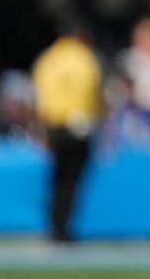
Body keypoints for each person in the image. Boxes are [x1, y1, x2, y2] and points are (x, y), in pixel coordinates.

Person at [32, 20, 103, 242]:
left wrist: (43, 127)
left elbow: (39, 97)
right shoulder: (85, 58)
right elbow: (93, 94)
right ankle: (63, 228)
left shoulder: (47, 59)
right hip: (78, 126)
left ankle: (54, 225)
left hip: (54, 125)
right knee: (71, 181)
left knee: (57, 178)